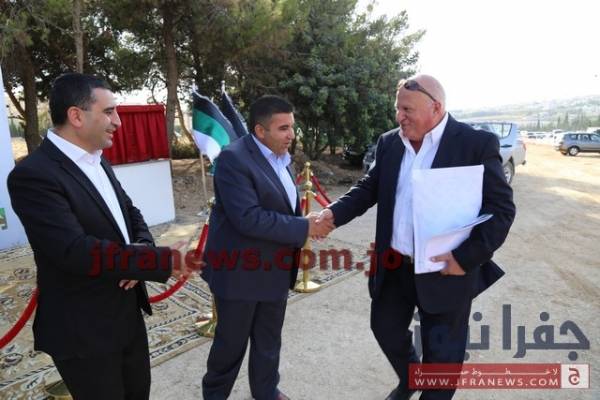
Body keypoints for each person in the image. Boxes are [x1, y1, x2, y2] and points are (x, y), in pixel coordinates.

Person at [318, 75, 515, 400]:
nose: (399, 117)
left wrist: (465, 258)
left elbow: (501, 210)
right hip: (395, 264)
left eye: (407, 110)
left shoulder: (475, 144)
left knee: (442, 361)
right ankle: (411, 378)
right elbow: (369, 187)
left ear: (435, 107)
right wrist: (332, 214)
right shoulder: (390, 142)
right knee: (385, 328)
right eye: (398, 109)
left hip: (446, 269)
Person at [7, 73, 190, 400]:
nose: (117, 121)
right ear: (76, 116)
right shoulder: (33, 175)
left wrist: (142, 248)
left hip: (126, 315)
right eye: (108, 112)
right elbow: (74, 251)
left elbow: (129, 213)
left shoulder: (97, 160)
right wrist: (157, 260)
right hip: (84, 330)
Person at [201, 95, 334, 400]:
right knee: (230, 347)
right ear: (260, 131)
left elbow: (280, 207)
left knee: (269, 340)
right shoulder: (233, 159)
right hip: (240, 275)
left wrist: (304, 222)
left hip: (275, 270)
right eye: (283, 128)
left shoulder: (281, 157)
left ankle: (266, 392)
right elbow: (248, 218)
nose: (291, 135)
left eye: (292, 127)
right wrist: (305, 227)